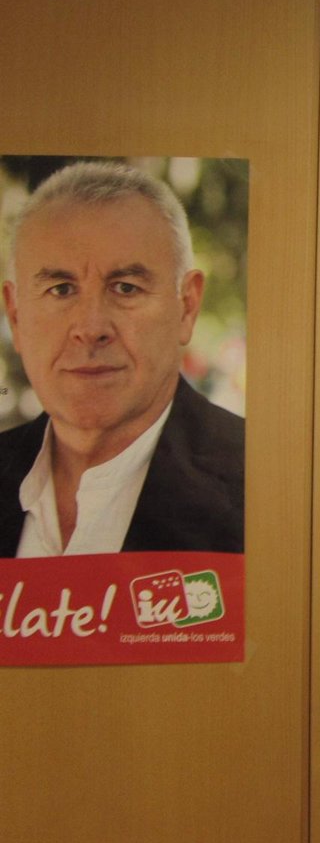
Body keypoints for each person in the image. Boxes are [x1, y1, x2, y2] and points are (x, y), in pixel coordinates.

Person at [0, 161, 244, 558]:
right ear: (15, 315)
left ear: (187, 307)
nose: (91, 327)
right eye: (61, 290)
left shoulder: (263, 482)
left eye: (126, 288)